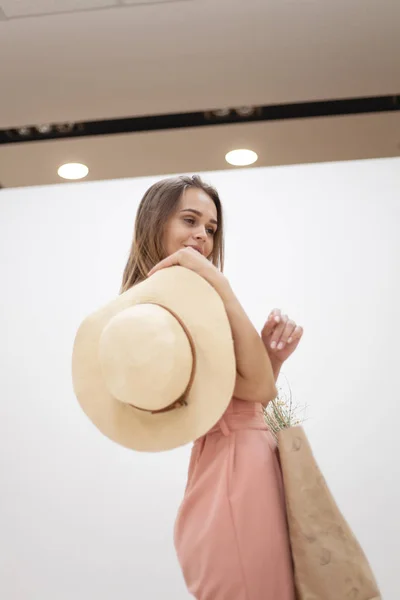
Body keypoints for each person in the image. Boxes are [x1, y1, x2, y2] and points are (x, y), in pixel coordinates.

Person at [120, 175, 303, 600]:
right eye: (189, 220)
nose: (202, 235)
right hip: (232, 469)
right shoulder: (156, 309)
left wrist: (270, 358)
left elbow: (245, 394)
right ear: (155, 224)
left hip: (240, 461)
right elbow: (255, 391)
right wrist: (221, 284)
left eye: (210, 228)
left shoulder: (187, 298)